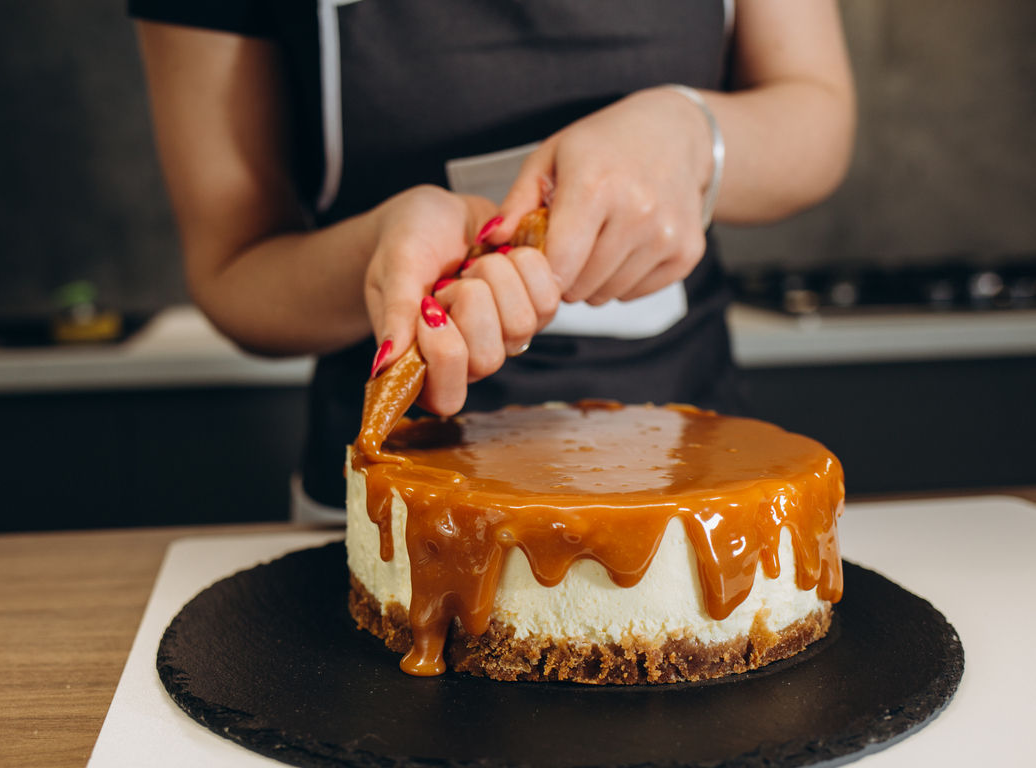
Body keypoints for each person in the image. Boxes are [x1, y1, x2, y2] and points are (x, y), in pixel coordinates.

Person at [130, 0, 855, 517]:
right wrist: (380, 246)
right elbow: (232, 268)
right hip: (392, 495)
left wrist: (696, 133)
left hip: (701, 469)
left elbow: (818, 117)